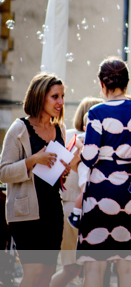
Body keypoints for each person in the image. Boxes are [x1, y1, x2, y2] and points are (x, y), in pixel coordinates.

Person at [77, 58, 131, 287]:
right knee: (129, 267)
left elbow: (89, 156)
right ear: (127, 82)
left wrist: (80, 148)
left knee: (95, 266)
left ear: (101, 83)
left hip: (101, 192)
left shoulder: (96, 112)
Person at [0, 73, 71, 287]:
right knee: (34, 274)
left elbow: (51, 173)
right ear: (40, 97)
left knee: (46, 275)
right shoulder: (19, 129)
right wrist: (32, 160)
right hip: (26, 214)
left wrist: (63, 171)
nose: (60, 102)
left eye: (62, 96)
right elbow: (3, 171)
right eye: (55, 96)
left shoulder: (60, 129)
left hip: (52, 211)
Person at [51, 96, 101, 287]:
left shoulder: (65, 135)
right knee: (86, 268)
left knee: (72, 268)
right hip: (80, 208)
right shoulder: (90, 140)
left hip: (65, 206)